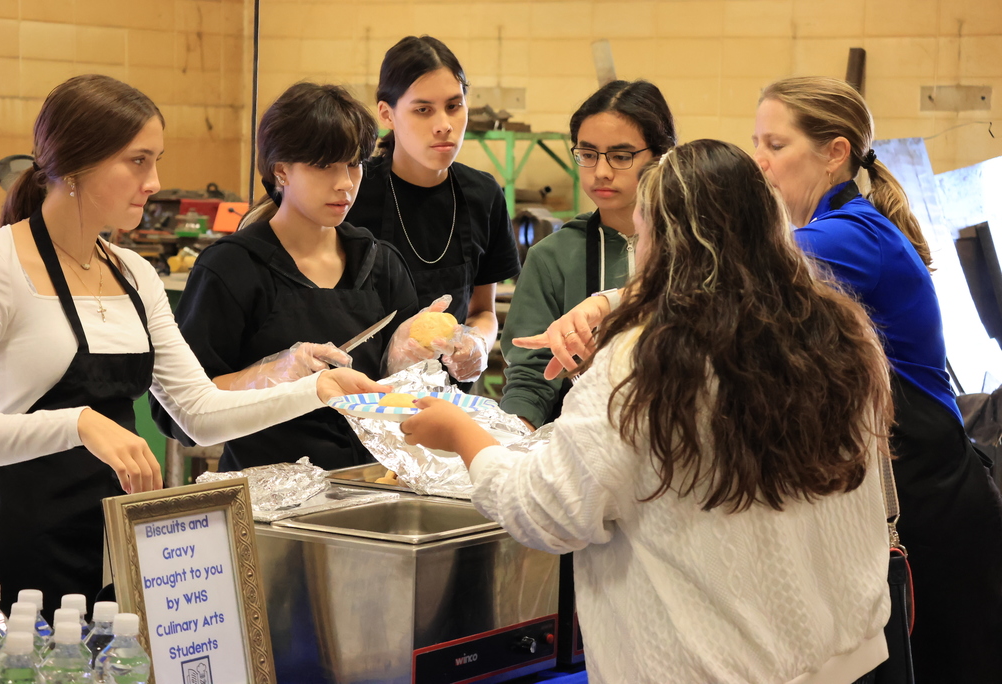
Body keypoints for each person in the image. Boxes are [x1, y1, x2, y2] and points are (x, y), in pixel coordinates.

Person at [399, 140, 894, 683]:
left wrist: (464, 435)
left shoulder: (644, 358)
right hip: (853, 658)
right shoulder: (838, 331)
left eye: (640, 232)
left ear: (659, 239)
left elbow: (550, 512)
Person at [0, 75, 387, 616]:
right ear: (76, 164)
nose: (154, 181)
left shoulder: (134, 273)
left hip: (122, 545)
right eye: (138, 161)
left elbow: (200, 414)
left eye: (156, 160)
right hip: (24, 553)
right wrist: (77, 423)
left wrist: (318, 389)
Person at [753, 76, 1002, 682]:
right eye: (756, 142)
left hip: (929, 504)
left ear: (835, 152)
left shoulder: (849, 236)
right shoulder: (842, 227)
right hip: (899, 493)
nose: (759, 162)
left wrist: (606, 305)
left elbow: (731, 279)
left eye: (776, 146)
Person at [150, 83, 419, 472]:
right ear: (281, 171)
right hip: (266, 500)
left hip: (373, 488)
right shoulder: (232, 268)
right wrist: (270, 374)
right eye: (325, 166)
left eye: (354, 164)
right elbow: (178, 412)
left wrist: (425, 357)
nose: (345, 183)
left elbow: (408, 391)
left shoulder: (381, 263)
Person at [499, 79, 676, 428]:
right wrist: (510, 445)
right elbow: (531, 378)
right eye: (588, 154)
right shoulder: (552, 256)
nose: (602, 172)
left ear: (661, 156)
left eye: (622, 156)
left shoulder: (694, 248)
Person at [345, 35, 521, 384]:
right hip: (362, 395)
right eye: (423, 110)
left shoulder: (484, 195)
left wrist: (478, 345)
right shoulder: (351, 193)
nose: (443, 124)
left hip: (449, 402)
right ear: (387, 114)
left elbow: (483, 311)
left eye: (454, 106)